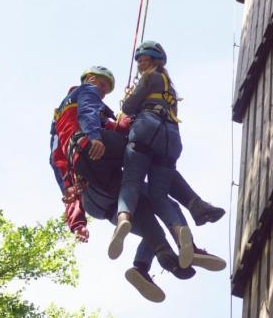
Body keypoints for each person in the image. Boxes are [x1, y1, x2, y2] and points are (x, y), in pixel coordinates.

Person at [49, 66, 225, 301]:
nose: (102, 92)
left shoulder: (58, 120)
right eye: (101, 85)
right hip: (94, 152)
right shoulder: (86, 92)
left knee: (145, 209)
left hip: (94, 195)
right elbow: (93, 114)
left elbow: (55, 159)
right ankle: (195, 211)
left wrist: (76, 219)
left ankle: (152, 264)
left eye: (105, 89)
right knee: (150, 153)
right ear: (90, 79)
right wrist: (98, 133)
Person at [114, 41, 197, 269]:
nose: (141, 63)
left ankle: (124, 218)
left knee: (132, 179)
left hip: (146, 127)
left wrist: (127, 99)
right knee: (159, 194)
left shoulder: (149, 78)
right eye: (139, 60)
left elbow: (130, 108)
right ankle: (179, 230)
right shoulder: (170, 87)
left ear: (153, 60)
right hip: (170, 138)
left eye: (144, 59)